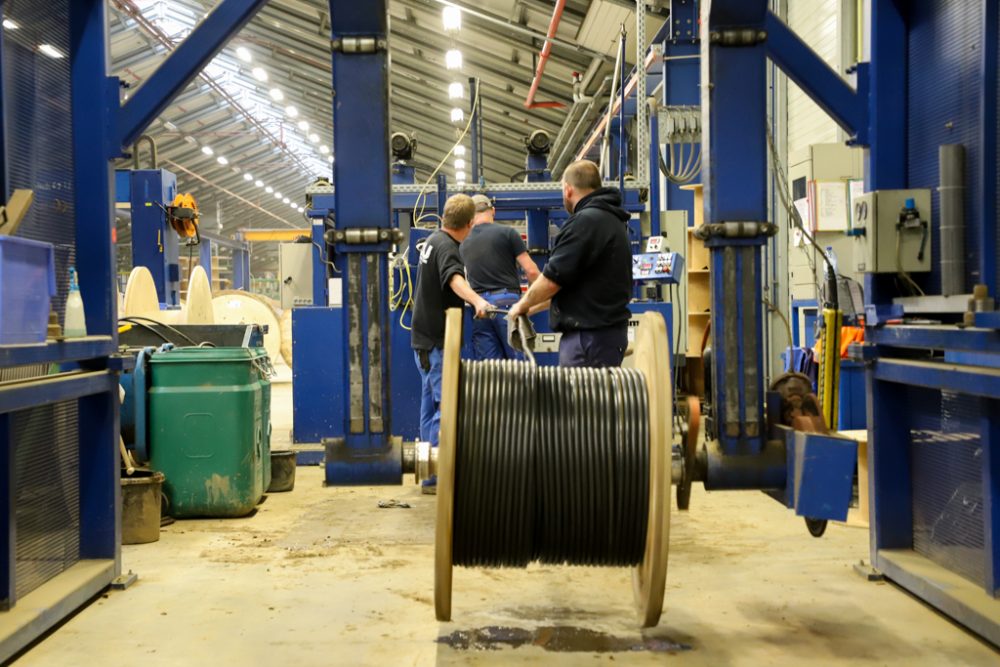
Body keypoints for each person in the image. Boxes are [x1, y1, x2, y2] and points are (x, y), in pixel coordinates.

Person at [508, 160, 631, 367]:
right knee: (598, 399)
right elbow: (575, 287)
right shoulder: (612, 220)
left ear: (567, 190)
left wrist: (520, 305)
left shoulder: (584, 222)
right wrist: (529, 308)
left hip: (588, 339)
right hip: (604, 335)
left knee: (582, 399)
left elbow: (552, 280)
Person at [411, 194, 490, 492]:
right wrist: (478, 300)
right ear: (469, 224)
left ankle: (431, 472)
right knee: (444, 407)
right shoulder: (449, 248)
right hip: (436, 342)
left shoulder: (432, 240)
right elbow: (455, 279)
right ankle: (437, 476)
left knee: (430, 407)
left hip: (423, 339)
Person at [460, 194, 540, 360]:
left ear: (471, 216)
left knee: (491, 372)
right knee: (519, 367)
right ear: (493, 211)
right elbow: (531, 272)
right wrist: (534, 300)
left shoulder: (463, 242)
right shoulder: (507, 233)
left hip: (480, 308)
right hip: (507, 305)